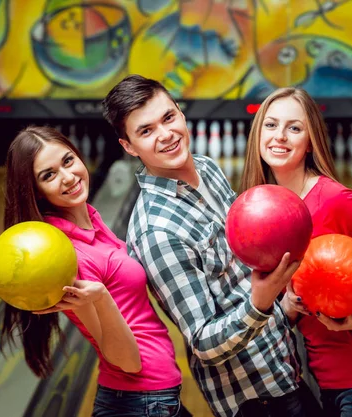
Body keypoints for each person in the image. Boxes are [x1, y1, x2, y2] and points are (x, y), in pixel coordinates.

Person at [102, 75, 317, 417]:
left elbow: (242, 269)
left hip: (284, 366)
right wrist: (262, 302)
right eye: (146, 131)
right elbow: (203, 342)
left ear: (181, 115)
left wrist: (283, 303)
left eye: (168, 118)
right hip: (255, 397)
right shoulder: (157, 232)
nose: (166, 135)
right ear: (128, 146)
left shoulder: (206, 167)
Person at [240, 87, 352, 417]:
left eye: (294, 128)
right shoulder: (261, 210)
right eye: (270, 125)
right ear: (257, 133)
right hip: (326, 382)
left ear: (310, 140)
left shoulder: (336, 200)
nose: (279, 136)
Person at [0, 126, 188, 417]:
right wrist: (100, 297)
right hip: (141, 401)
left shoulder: (90, 222)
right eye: (48, 175)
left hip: (145, 398)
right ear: (35, 191)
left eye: (68, 161)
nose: (68, 177)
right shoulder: (68, 255)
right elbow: (126, 361)